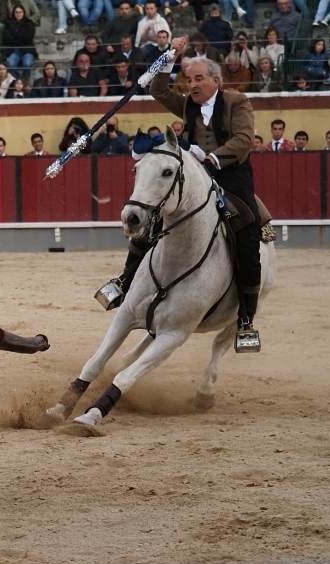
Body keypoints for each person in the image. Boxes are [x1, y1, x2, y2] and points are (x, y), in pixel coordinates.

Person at [114, 37, 263, 343]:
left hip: (231, 177)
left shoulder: (237, 102)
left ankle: (246, 316)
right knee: (153, 219)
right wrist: (169, 58)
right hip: (195, 179)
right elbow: (157, 90)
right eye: (189, 79)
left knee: (246, 230)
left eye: (199, 79)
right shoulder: (186, 104)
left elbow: (244, 139)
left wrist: (212, 158)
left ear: (215, 81)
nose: (192, 85)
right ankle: (124, 281)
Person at [3, 5, 36, 83]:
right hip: (14, 49)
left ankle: (24, 83)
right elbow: (7, 37)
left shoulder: (29, 23)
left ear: (24, 13)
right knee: (10, 65)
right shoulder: (9, 24)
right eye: (16, 12)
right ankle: (19, 82)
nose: (18, 14)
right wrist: (21, 37)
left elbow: (29, 37)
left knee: (27, 64)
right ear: (14, 13)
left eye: (20, 12)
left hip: (27, 49)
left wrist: (15, 36)